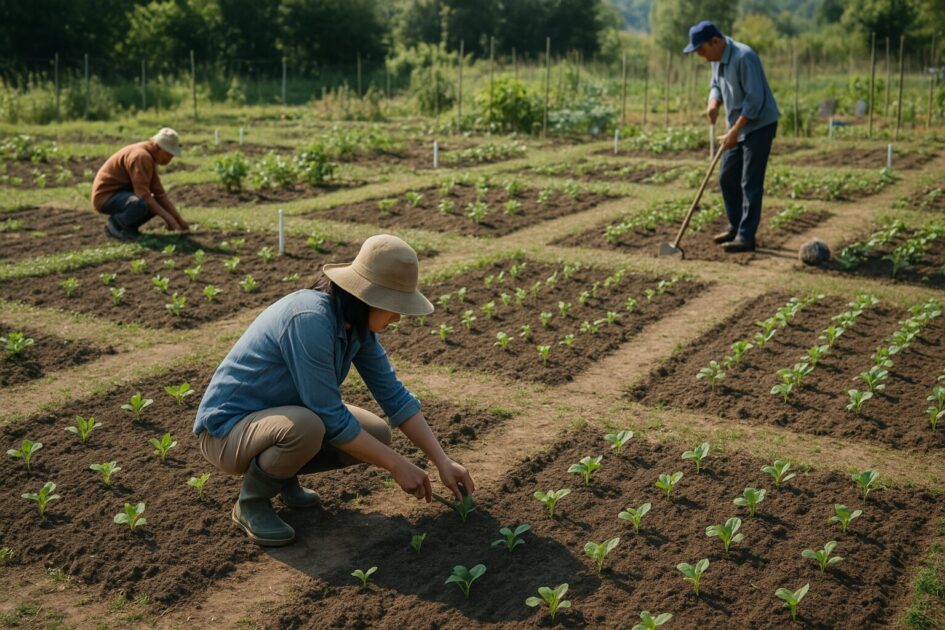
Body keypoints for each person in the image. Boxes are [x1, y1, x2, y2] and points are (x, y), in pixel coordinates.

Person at [192, 234, 476, 546]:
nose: (398, 317)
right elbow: (330, 417)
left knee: (376, 432)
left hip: (272, 420)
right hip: (226, 432)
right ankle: (251, 503)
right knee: (308, 426)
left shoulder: (356, 327)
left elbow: (395, 397)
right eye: (394, 306)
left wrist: (442, 461)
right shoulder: (310, 319)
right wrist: (397, 465)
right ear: (369, 297)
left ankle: (283, 478)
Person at [684, 21, 779, 253]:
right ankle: (735, 226)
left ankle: (746, 237)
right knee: (727, 177)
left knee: (750, 181)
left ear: (715, 41)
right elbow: (715, 84)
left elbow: (754, 101)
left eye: (702, 51)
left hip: (758, 125)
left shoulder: (743, 57)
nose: (702, 57)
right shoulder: (717, 58)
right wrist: (713, 102)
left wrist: (735, 132)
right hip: (736, 126)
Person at [91, 128, 190, 240]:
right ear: (158, 147)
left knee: (154, 202)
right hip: (106, 197)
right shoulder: (141, 157)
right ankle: (115, 225)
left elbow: (160, 194)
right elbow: (143, 195)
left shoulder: (149, 156)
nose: (170, 159)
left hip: (122, 194)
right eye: (168, 154)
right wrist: (170, 220)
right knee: (140, 204)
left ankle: (129, 228)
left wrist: (179, 221)